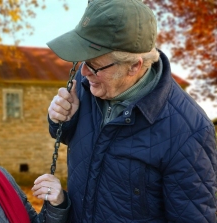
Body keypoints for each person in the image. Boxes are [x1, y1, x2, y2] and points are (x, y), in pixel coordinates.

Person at [46, 0, 217, 222]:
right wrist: (61, 120)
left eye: (95, 65)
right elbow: (74, 140)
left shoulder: (189, 131)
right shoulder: (88, 83)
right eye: (82, 61)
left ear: (134, 66)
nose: (84, 71)